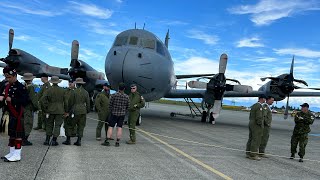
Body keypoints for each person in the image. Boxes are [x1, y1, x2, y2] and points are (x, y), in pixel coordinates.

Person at [0, 67, 29, 162]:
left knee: (18, 135)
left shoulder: (21, 87)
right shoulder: (7, 86)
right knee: (11, 134)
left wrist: (12, 100)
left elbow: (26, 101)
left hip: (17, 114)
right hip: (8, 113)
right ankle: (12, 152)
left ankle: (17, 154)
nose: (7, 79)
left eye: (9, 77)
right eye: (6, 77)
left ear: (14, 76)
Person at [41, 76, 68, 146]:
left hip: (50, 110)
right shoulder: (62, 90)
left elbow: (42, 100)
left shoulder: (48, 90)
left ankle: (47, 140)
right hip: (60, 110)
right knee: (57, 125)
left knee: (49, 125)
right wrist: (66, 111)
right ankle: (54, 140)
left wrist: (45, 109)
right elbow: (66, 102)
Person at [102, 82, 129, 147]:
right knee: (119, 128)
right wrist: (123, 111)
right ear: (124, 89)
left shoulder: (113, 95)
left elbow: (110, 104)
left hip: (114, 114)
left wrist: (112, 110)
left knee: (110, 127)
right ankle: (117, 142)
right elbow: (128, 106)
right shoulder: (126, 97)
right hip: (122, 115)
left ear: (118, 88)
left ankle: (107, 141)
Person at [67, 78, 90, 146]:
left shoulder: (73, 92)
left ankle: (68, 140)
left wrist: (68, 111)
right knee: (81, 126)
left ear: (76, 84)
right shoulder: (86, 92)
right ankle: (79, 140)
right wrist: (87, 111)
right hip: (83, 110)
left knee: (70, 125)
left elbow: (70, 102)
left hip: (75, 110)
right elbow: (88, 103)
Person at [245, 95, 267, 160]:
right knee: (256, 139)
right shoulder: (259, 106)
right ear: (262, 99)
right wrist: (261, 124)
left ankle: (248, 153)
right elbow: (259, 117)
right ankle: (253, 154)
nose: (265, 100)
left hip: (251, 123)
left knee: (251, 138)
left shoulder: (254, 105)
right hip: (256, 125)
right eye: (264, 98)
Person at [22, 73, 38, 146]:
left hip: (23, 107)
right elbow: (33, 99)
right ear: (31, 79)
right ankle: (24, 140)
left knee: (23, 123)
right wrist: (37, 107)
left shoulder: (23, 86)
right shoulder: (31, 87)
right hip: (28, 108)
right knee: (28, 123)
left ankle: (23, 138)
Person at [62, 79, 77, 145]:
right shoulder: (65, 91)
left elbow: (75, 103)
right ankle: (68, 137)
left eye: (72, 82)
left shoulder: (76, 91)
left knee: (72, 124)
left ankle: (72, 135)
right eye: (69, 82)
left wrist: (69, 112)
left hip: (73, 111)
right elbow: (63, 101)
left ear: (74, 83)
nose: (70, 83)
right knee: (67, 124)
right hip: (66, 110)